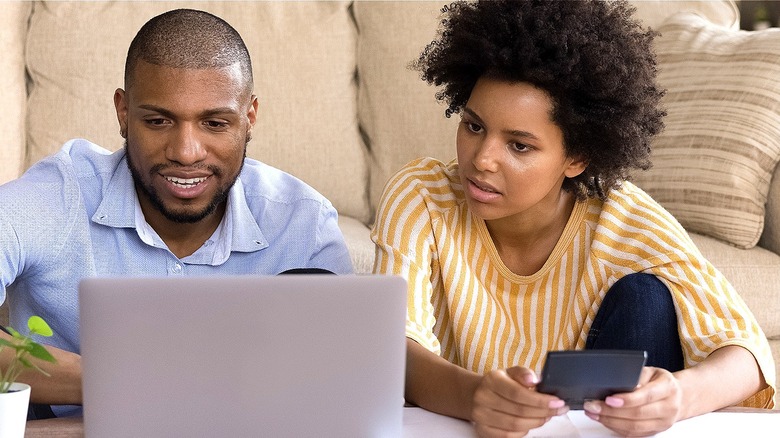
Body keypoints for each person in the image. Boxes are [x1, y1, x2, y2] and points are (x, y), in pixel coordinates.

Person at [370, 1, 776, 436]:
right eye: (473, 126)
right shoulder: (421, 194)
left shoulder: (622, 216)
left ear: (577, 158)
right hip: (470, 423)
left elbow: (747, 353)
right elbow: (395, 344)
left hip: (599, 424)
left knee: (648, 297)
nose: (482, 159)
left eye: (519, 146)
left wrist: (679, 395)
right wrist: (476, 398)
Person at [0, 9, 353, 418]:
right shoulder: (56, 196)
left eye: (215, 123)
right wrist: (128, 382)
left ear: (249, 118)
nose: (186, 153)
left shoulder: (305, 225)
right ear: (123, 113)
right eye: (158, 121)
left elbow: (343, 380)